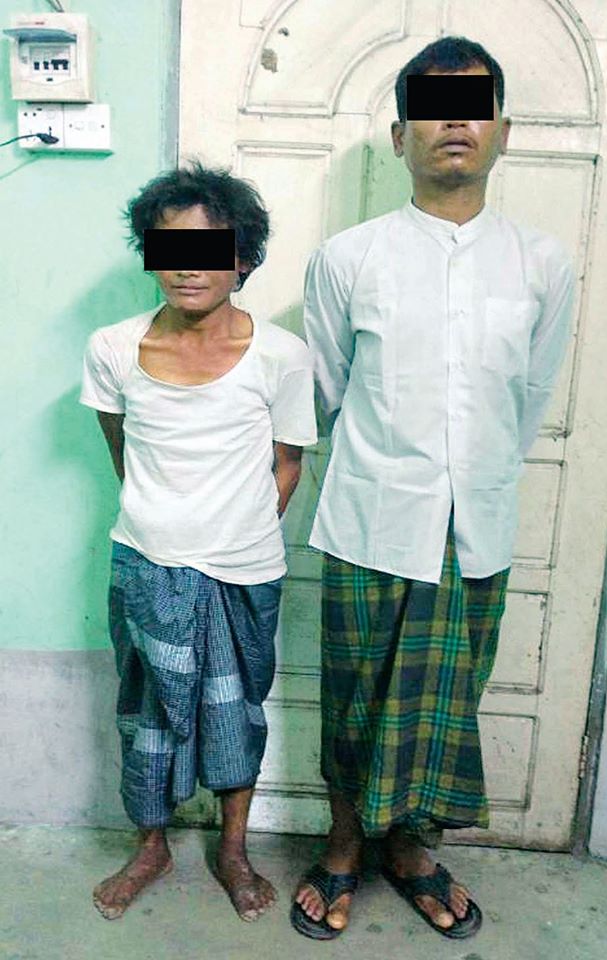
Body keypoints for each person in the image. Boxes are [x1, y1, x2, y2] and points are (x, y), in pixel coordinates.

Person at [292, 36, 574, 940]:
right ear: (399, 135)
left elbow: (529, 396)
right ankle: (343, 844)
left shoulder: (542, 264)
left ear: (503, 133)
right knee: (355, 694)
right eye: (432, 107)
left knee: (448, 702)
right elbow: (326, 392)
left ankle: (412, 851)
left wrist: (470, 477)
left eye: (474, 106)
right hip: (370, 518)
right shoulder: (347, 259)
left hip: (473, 526)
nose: (454, 122)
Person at [80, 163, 317, 922]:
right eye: (171, 248)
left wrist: (236, 530)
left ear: (242, 259)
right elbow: (121, 448)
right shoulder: (113, 347)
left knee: (236, 711)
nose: (189, 267)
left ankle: (233, 849)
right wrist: (166, 526)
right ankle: (150, 845)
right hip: (145, 565)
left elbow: (287, 462)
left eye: (210, 249)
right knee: (145, 711)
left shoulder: (282, 355)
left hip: (244, 571)